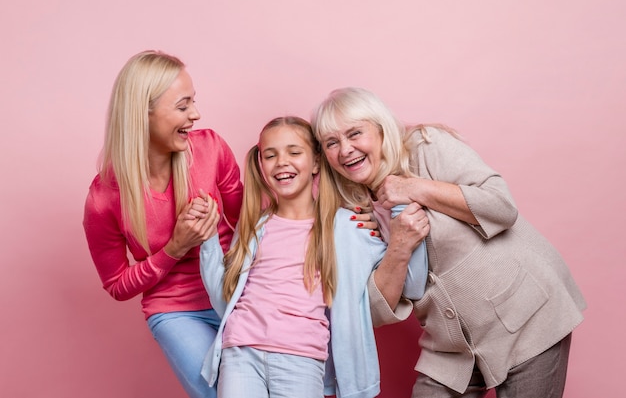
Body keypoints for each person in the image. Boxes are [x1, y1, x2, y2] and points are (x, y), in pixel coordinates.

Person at [310, 87, 587, 398]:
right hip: (451, 347)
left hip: (527, 317)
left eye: (355, 133)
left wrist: (413, 187)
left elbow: (501, 206)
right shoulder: (354, 213)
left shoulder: (426, 146)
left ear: (380, 128)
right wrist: (399, 245)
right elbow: (375, 311)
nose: (345, 149)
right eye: (331, 143)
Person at [198, 116, 430, 398]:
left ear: (317, 163)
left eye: (294, 152)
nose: (282, 161)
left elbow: (412, 284)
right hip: (240, 351)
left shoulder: (348, 226)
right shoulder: (254, 227)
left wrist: (401, 222)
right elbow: (225, 300)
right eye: (270, 155)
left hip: (302, 358)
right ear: (261, 165)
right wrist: (208, 238)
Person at [82, 50, 244, 398]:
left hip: (238, 293)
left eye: (193, 103)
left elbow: (251, 219)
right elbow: (117, 285)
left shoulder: (211, 149)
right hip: (177, 310)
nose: (195, 115)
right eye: (183, 106)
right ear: (144, 113)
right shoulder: (104, 197)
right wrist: (176, 246)